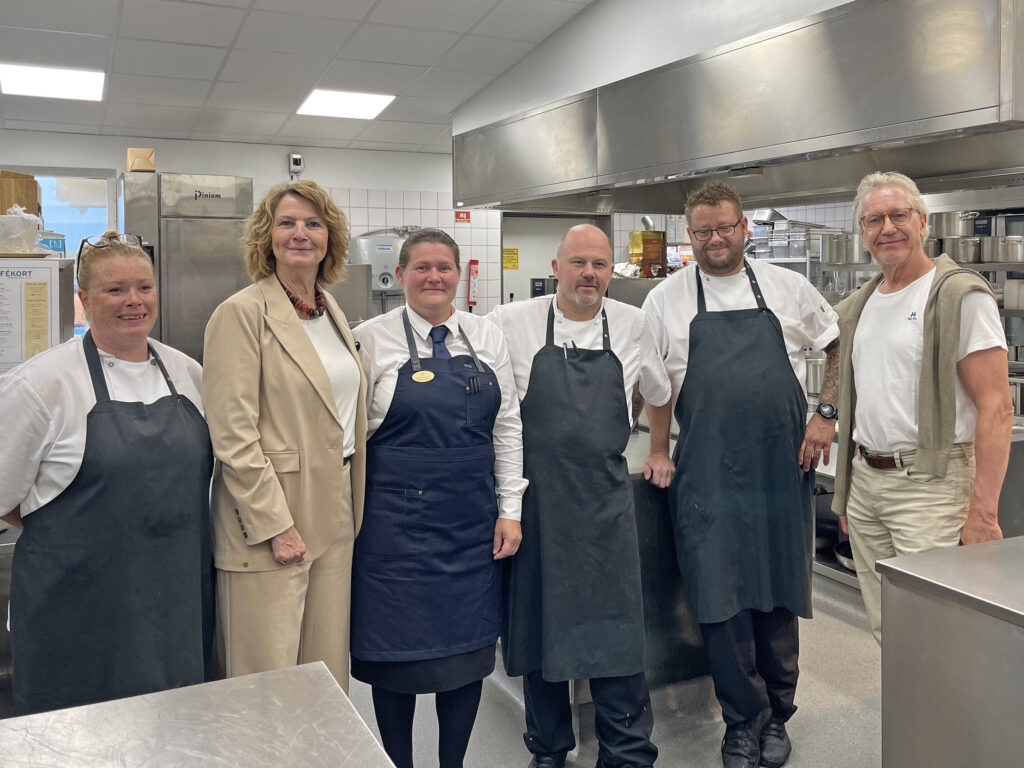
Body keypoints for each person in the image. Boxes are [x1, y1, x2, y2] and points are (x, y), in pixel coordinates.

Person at [643, 182, 839, 768]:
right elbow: (653, 385)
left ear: (744, 228)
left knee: (778, 596)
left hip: (780, 468)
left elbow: (835, 345)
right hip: (706, 475)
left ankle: (778, 716)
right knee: (719, 601)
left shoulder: (785, 287)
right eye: (703, 231)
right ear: (689, 235)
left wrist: (824, 414)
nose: (715, 240)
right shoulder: (666, 300)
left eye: (725, 227)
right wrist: (657, 446)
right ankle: (741, 721)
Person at [0, 232, 213, 715]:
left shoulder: (187, 373)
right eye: (114, 290)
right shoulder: (42, 384)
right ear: (83, 300)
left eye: (143, 287)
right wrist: (67, 530)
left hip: (174, 609)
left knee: (172, 735)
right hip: (76, 613)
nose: (133, 301)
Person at [491, 224, 669, 768]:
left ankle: (627, 751)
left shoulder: (634, 324)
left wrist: (657, 445)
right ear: (557, 265)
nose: (589, 274)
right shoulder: (510, 322)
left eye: (600, 264)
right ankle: (548, 748)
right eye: (578, 263)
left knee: (615, 632)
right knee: (540, 632)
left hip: (604, 504)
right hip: (536, 504)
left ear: (611, 270)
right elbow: (496, 415)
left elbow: (660, 392)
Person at [351, 227, 525, 768]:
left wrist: (509, 510)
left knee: (466, 658)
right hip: (390, 530)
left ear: (458, 275)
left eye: (443, 267)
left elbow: (508, 429)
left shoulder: (485, 336)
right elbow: (348, 437)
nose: (433, 277)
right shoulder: (368, 339)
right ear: (401, 275)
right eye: (421, 267)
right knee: (395, 660)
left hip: (469, 524)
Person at [831, 171, 1011, 644]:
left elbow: (997, 407)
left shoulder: (957, 295)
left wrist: (983, 514)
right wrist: (850, 491)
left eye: (898, 215)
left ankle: (952, 720)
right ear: (863, 232)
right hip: (867, 483)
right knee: (888, 625)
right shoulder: (860, 305)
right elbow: (862, 404)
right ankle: (914, 719)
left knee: (938, 628)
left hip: (930, 486)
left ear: (923, 221)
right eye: (874, 219)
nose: (887, 227)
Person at [202, 180, 367, 690]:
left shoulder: (330, 311)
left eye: (313, 224)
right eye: (287, 223)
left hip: (336, 501)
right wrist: (275, 523)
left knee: (323, 669)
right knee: (266, 673)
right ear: (266, 237)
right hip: (272, 507)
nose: (301, 234)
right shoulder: (241, 313)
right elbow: (232, 436)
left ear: (329, 238)